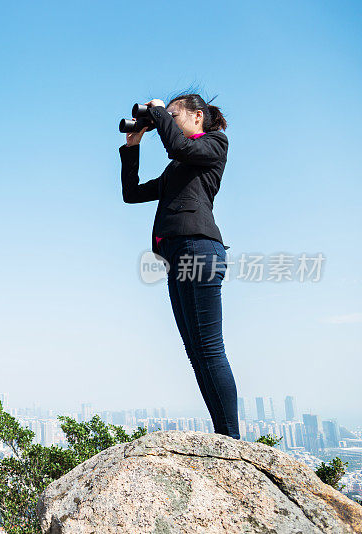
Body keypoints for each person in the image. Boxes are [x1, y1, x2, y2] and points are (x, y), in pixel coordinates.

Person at [119, 92, 240, 439]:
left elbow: (180, 147)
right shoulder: (179, 166)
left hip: (198, 250)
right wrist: (132, 146)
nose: (166, 122)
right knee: (196, 351)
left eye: (174, 116)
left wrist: (157, 111)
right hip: (178, 257)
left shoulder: (215, 144)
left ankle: (231, 440)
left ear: (197, 116)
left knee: (210, 349)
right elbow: (132, 193)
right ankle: (224, 436)